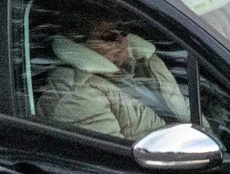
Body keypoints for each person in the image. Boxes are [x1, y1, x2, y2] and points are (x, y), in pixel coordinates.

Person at [40, 10, 190, 141]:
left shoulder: (146, 62)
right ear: (81, 43)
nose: (122, 40)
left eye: (124, 30)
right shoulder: (78, 94)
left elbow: (186, 109)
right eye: (110, 36)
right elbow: (115, 160)